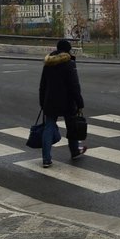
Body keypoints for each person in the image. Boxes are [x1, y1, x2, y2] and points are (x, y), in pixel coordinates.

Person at [38, 38, 86, 167]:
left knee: (48, 128)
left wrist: (42, 102)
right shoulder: (69, 63)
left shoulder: (48, 63)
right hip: (67, 101)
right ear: (68, 50)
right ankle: (75, 151)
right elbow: (74, 86)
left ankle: (46, 159)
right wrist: (80, 103)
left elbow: (43, 85)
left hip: (50, 101)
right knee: (72, 127)